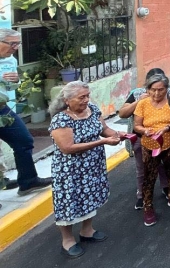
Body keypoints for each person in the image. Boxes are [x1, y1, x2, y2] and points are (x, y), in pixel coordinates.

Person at [48, 81, 123, 259]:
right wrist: (103, 142)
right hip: (70, 170)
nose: (86, 100)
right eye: (81, 97)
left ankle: (87, 230)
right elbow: (67, 147)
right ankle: (67, 240)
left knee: (91, 196)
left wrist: (116, 134)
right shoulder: (61, 119)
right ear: (67, 100)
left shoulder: (93, 110)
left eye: (87, 96)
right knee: (68, 201)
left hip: (92, 165)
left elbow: (103, 129)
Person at [0, 28, 52, 197]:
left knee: (23, 140)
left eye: (18, 43)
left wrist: (16, 81)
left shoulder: (10, 60)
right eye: (12, 43)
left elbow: (11, 86)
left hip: (2, 109)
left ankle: (28, 181)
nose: (15, 47)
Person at [133, 74, 170, 226]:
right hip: (149, 145)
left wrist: (167, 128)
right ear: (148, 90)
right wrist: (144, 131)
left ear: (166, 89)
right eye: (153, 90)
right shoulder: (142, 103)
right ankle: (148, 206)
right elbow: (137, 125)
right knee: (149, 176)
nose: (157, 93)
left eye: (161, 89)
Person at [118, 68, 170, 210]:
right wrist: (139, 102)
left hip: (163, 138)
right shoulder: (136, 94)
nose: (156, 91)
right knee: (142, 169)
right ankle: (141, 195)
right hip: (141, 138)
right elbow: (122, 113)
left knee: (163, 166)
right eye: (152, 86)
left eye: (160, 86)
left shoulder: (169, 93)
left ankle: (167, 188)